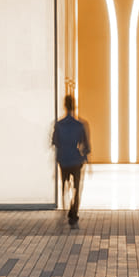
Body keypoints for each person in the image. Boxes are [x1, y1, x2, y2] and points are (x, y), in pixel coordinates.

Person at [50, 95, 90, 226]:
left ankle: (67, 209)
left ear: (64, 106)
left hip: (63, 159)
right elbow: (86, 146)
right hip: (76, 160)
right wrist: (85, 157)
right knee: (77, 188)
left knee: (65, 186)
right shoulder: (80, 125)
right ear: (74, 105)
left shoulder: (59, 125)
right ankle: (74, 212)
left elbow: (55, 142)